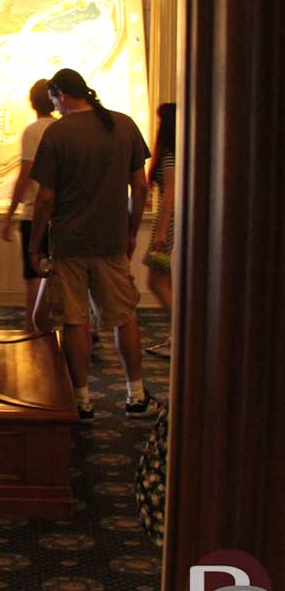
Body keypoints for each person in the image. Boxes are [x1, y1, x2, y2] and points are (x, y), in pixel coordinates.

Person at [28, 68, 163, 421]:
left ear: (60, 94)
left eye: (54, 99)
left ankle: (82, 399)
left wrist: (36, 243)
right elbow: (141, 187)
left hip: (69, 242)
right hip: (111, 239)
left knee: (74, 321)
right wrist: (131, 229)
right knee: (124, 317)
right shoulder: (124, 125)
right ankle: (136, 395)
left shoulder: (58, 133)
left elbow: (45, 197)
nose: (54, 107)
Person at [2, 79, 58, 330]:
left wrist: (9, 214)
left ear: (33, 102)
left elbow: (25, 175)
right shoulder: (61, 127)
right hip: (61, 214)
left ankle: (32, 323)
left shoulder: (33, 131)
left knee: (33, 271)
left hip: (34, 212)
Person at [143, 103, 176, 358]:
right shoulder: (181, 153)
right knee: (167, 283)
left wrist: (162, 232)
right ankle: (176, 336)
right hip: (172, 224)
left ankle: (180, 335)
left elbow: (170, 196)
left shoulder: (168, 156)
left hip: (169, 225)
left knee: (157, 281)